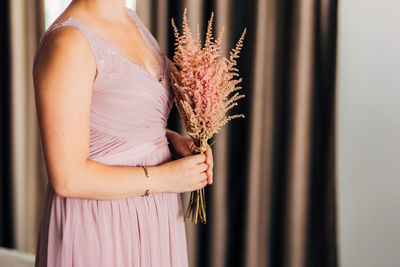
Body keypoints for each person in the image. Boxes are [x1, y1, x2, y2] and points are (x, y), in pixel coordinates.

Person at [32, 0, 214, 266]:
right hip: (100, 221)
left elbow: (117, 123)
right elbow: (67, 178)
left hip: (155, 215)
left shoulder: (131, 20)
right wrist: (165, 179)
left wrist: (172, 141)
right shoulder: (68, 43)